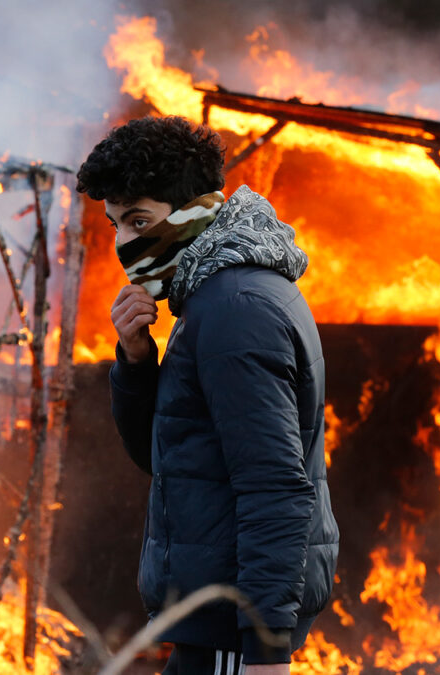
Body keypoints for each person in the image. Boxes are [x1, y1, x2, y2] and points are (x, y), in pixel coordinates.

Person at [76, 115, 338, 675]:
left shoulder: (233, 309)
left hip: (232, 628)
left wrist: (265, 649)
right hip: (217, 621)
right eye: (116, 224)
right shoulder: (211, 294)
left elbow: (275, 485)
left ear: (196, 210)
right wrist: (137, 360)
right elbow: (166, 456)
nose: (125, 242)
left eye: (139, 220)